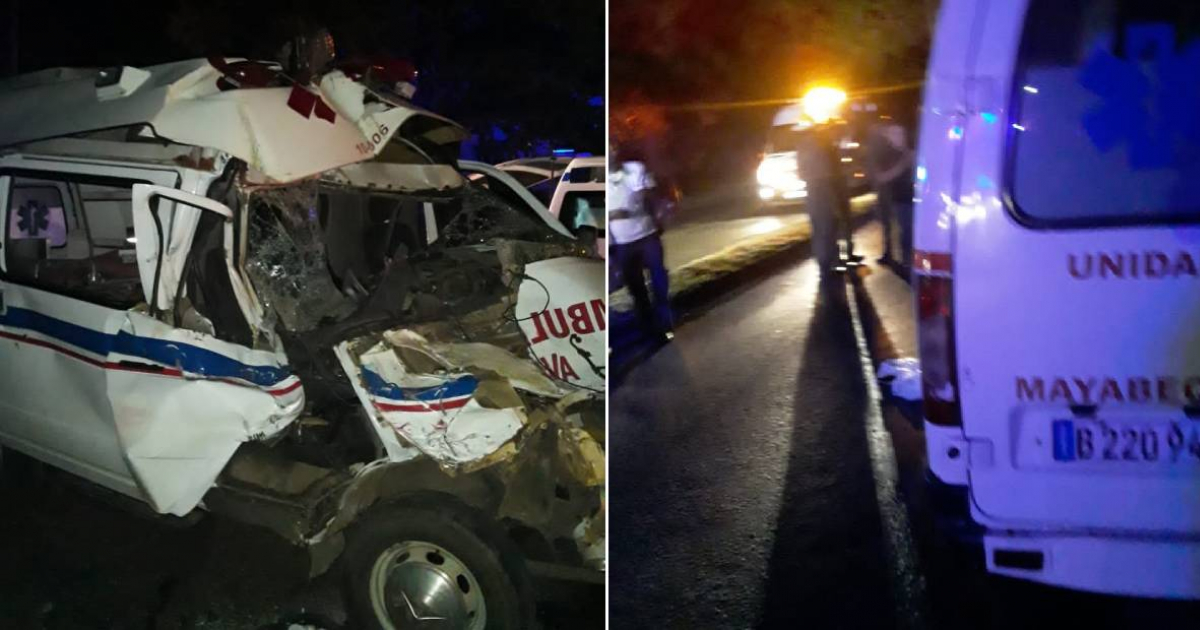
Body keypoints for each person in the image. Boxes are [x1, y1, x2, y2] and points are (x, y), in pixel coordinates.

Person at [608, 148, 674, 343]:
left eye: (612, 147)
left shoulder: (635, 169)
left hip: (647, 236)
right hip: (623, 244)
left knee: (659, 281)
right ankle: (650, 330)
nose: (610, 152)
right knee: (637, 290)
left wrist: (657, 214)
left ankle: (664, 325)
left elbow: (649, 197)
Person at [796, 122, 854, 277]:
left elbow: (801, 172)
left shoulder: (803, 146)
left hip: (814, 194)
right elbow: (829, 174)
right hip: (822, 193)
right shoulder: (822, 148)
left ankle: (825, 263)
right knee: (828, 228)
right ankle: (830, 262)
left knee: (820, 229)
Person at [866, 120, 914, 267]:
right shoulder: (887, 154)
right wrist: (903, 164)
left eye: (901, 133)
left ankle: (906, 260)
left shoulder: (910, 151)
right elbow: (881, 177)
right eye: (894, 133)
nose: (899, 136)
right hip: (898, 198)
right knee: (904, 230)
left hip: (911, 198)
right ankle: (905, 262)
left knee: (908, 230)